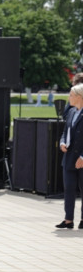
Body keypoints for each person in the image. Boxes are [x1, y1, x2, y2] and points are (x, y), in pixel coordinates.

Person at [57, 84, 83, 229]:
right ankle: (68, 219)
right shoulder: (72, 112)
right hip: (69, 158)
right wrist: (62, 143)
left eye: (71, 95)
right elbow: (65, 132)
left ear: (79, 97)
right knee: (69, 188)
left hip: (81, 158)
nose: (69, 98)